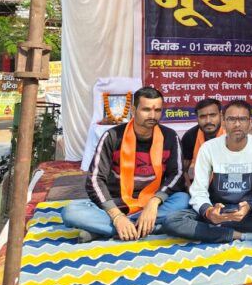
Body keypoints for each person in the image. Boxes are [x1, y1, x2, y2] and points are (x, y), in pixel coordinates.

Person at [62, 87, 189, 241]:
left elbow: (177, 174)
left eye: (157, 110)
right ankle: (147, 228)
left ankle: (105, 230)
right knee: (71, 211)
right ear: (133, 111)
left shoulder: (169, 136)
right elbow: (95, 179)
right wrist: (116, 216)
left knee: (183, 199)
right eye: (146, 109)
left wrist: (154, 202)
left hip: (153, 204)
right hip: (117, 203)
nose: (152, 115)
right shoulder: (112, 136)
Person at [163, 100, 252, 243]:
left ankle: (213, 230)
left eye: (242, 119)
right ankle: (243, 235)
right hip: (217, 209)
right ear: (223, 122)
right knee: (172, 220)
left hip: (248, 211)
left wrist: (251, 207)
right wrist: (209, 211)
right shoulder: (208, 148)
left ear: (250, 123)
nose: (237, 124)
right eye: (231, 119)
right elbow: (198, 191)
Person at [180, 98, 224, 188]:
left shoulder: (230, 134)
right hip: (200, 188)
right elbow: (183, 170)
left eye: (212, 115)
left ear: (221, 115)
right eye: (203, 116)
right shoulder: (190, 136)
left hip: (228, 187)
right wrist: (191, 191)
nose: (208, 121)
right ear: (197, 118)